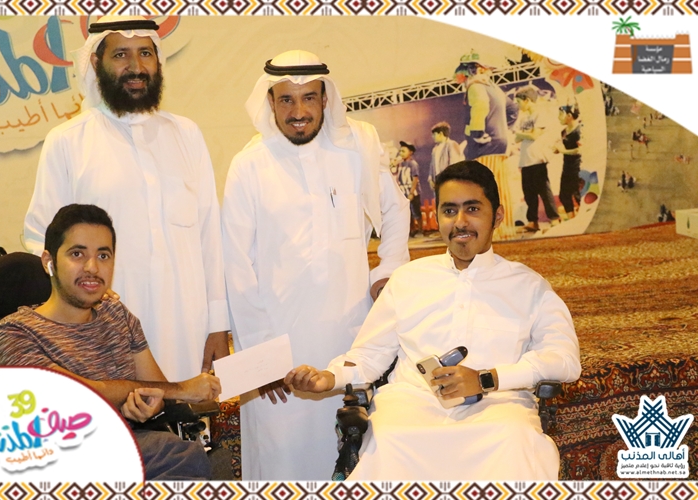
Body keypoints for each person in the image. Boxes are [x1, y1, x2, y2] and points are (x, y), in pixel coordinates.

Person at [286, 160, 581, 480]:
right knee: (389, 437)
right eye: (449, 210)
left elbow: (564, 360)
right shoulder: (407, 279)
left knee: (514, 439)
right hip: (411, 408)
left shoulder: (529, 287)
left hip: (497, 410)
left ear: (497, 216)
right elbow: (369, 355)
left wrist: (486, 379)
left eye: (472, 209)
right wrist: (328, 378)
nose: (460, 222)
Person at [222, 50, 410, 480]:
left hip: (349, 331)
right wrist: (262, 356)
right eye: (286, 99)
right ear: (270, 102)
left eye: (309, 97)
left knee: (350, 447)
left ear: (326, 99)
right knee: (281, 456)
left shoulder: (357, 147)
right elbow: (235, 264)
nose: (299, 111)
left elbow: (395, 210)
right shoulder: (249, 165)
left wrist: (387, 271)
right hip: (278, 340)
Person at [23, 16, 229, 381]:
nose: (136, 67)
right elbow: (41, 236)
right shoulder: (68, 141)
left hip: (186, 324)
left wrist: (217, 324)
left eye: (145, 53)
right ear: (95, 62)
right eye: (121, 54)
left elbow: (210, 236)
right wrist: (78, 306)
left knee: (187, 412)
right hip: (101, 330)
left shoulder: (186, 134)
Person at [0, 204, 222, 480]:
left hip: (134, 450)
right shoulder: (14, 332)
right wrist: (182, 389)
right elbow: (76, 394)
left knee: (198, 459)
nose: (92, 267)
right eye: (77, 254)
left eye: (103, 255)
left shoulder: (117, 315)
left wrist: (148, 407)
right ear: (48, 262)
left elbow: (157, 390)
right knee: (183, 456)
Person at [454, 50, 519, 240]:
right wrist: (501, 130)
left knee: (486, 191)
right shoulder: (496, 89)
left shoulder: (476, 86)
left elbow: (480, 106)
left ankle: (495, 234)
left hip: (484, 146)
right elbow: (513, 109)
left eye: (469, 69)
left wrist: (478, 132)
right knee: (500, 188)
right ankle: (506, 230)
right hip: (499, 144)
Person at [514, 86, 560, 232]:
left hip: (537, 157)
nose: (518, 105)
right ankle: (533, 222)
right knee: (529, 194)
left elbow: (534, 135)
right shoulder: (524, 118)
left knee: (544, 190)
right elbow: (516, 138)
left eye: (519, 102)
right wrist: (524, 134)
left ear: (527, 100)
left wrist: (522, 134)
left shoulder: (540, 114)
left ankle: (554, 218)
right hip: (525, 160)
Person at [553, 104, 583, 219]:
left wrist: (563, 151)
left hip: (577, 167)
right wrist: (557, 149)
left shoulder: (579, 130)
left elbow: (580, 150)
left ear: (569, 116)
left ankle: (582, 219)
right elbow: (563, 147)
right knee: (564, 195)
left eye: (561, 114)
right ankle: (572, 219)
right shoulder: (564, 131)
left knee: (578, 195)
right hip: (567, 167)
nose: (558, 117)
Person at [394, 141, 423, 237]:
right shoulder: (400, 164)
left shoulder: (413, 164)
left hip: (412, 191)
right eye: (400, 151)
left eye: (403, 151)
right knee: (407, 212)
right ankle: (412, 230)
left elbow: (415, 179)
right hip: (403, 191)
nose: (401, 153)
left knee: (416, 211)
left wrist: (411, 192)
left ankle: (420, 230)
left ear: (410, 152)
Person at [428, 121, 465, 191]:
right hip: (438, 183)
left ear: (441, 134)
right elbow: (432, 165)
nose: (432, 137)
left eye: (434, 134)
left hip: (449, 183)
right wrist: (430, 179)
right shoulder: (435, 149)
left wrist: (448, 180)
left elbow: (454, 165)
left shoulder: (451, 144)